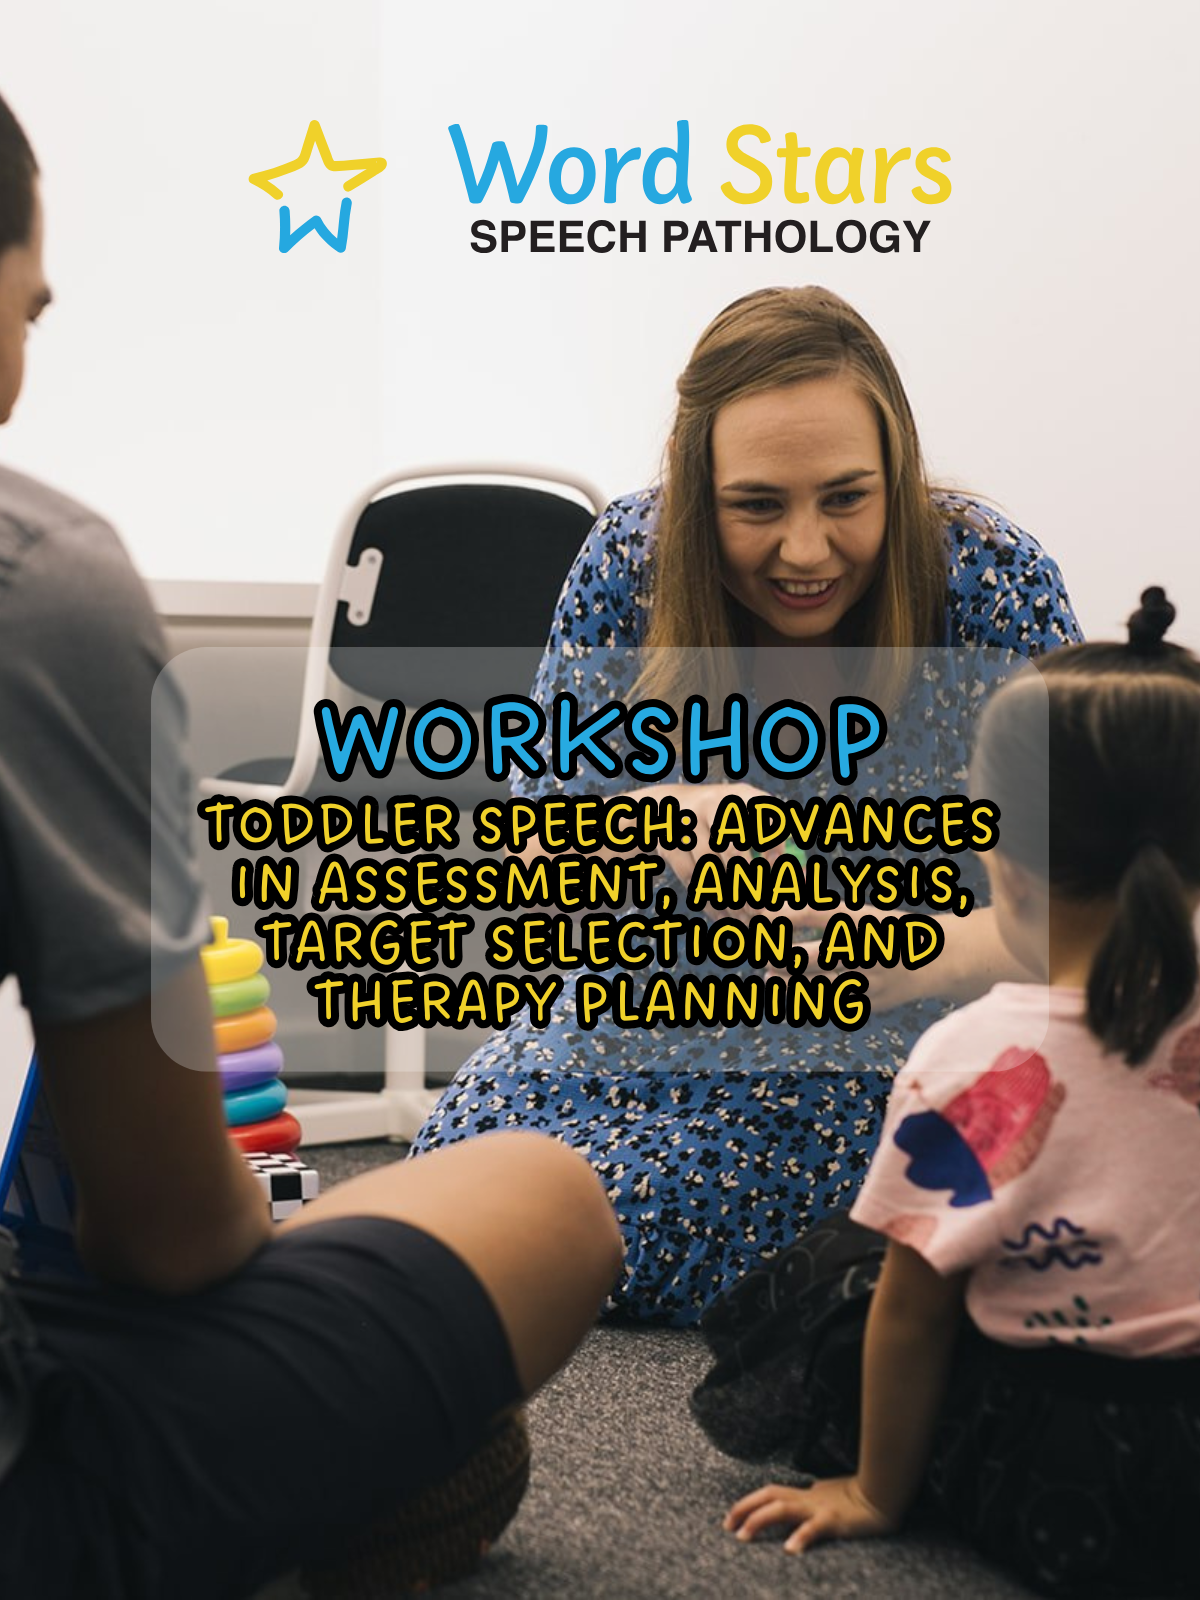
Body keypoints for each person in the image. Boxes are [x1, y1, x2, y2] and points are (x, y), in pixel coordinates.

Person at [0, 92, 622, 1600]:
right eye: (26, 312)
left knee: (197, 966)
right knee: (545, 1201)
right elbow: (166, 1240)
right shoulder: (40, 586)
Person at [411, 285, 1083, 1324]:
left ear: (898, 476)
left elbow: (1086, 915)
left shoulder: (995, 586)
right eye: (757, 505)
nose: (806, 550)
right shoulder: (624, 562)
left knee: (609, 1219)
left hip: (886, 1047)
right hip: (640, 1017)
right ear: (692, 492)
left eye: (847, 499)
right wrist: (665, 816)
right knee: (457, 1171)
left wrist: (899, 953)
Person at [721, 588, 1200, 1598]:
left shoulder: (977, 1055)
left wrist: (874, 1493)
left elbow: (915, 1314)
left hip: (1080, 1472)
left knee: (850, 1278)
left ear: (1008, 873)